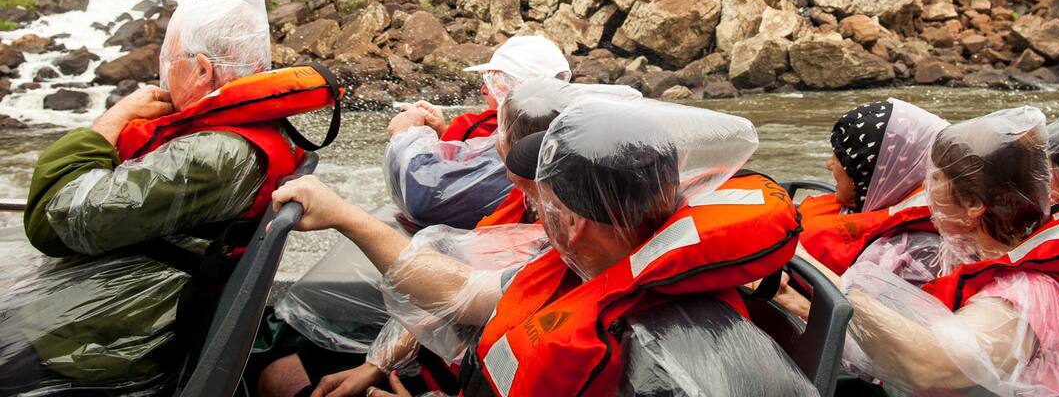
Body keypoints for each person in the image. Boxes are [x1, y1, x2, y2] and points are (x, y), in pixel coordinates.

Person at [271, 96, 804, 396]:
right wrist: (346, 216)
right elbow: (459, 290)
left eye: (538, 197)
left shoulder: (659, 355)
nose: (529, 206)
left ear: (571, 223)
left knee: (280, 380)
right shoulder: (596, 262)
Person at [0, 0, 331, 396]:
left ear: (203, 70)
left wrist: (112, 119)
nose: (162, 79)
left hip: (99, 347)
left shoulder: (214, 155)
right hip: (126, 320)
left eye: (170, 62)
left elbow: (56, 219)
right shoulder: (260, 136)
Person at [261, 80, 638, 397]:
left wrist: (343, 214)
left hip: (456, 378)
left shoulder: (580, 272)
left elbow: (457, 293)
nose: (494, 148)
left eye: (501, 136)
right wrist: (376, 365)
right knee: (279, 375)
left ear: (579, 218)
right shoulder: (579, 249)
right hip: (451, 365)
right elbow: (457, 294)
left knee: (280, 380)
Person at [792, 107, 1059, 397]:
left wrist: (827, 277)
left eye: (936, 179)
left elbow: (929, 365)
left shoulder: (1026, 293)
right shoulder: (976, 254)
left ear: (975, 204)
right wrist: (786, 295)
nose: (926, 191)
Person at [384, 35, 571, 230]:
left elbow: (425, 200)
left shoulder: (517, 142)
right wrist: (442, 133)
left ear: (516, 87)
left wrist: (405, 135)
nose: (484, 89)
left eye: (492, 79)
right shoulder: (562, 132)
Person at [797, 99, 947, 276]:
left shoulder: (917, 253)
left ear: (870, 173)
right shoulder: (869, 203)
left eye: (839, 158)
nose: (828, 165)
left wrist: (796, 255)